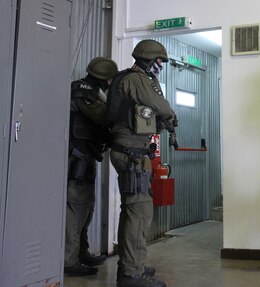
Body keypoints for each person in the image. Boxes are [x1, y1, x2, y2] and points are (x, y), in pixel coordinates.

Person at [108, 39, 178, 287]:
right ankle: (131, 274)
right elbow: (162, 106)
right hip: (131, 155)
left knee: (132, 211)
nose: (161, 65)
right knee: (139, 212)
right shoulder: (137, 79)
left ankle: (130, 266)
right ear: (148, 60)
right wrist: (170, 117)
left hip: (130, 152)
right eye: (159, 61)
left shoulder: (131, 78)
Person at [65, 57, 118, 276]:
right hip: (77, 157)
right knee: (76, 207)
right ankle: (70, 260)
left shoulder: (95, 91)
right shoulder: (83, 91)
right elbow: (101, 117)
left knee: (87, 206)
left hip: (86, 156)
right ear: (107, 78)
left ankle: (81, 252)